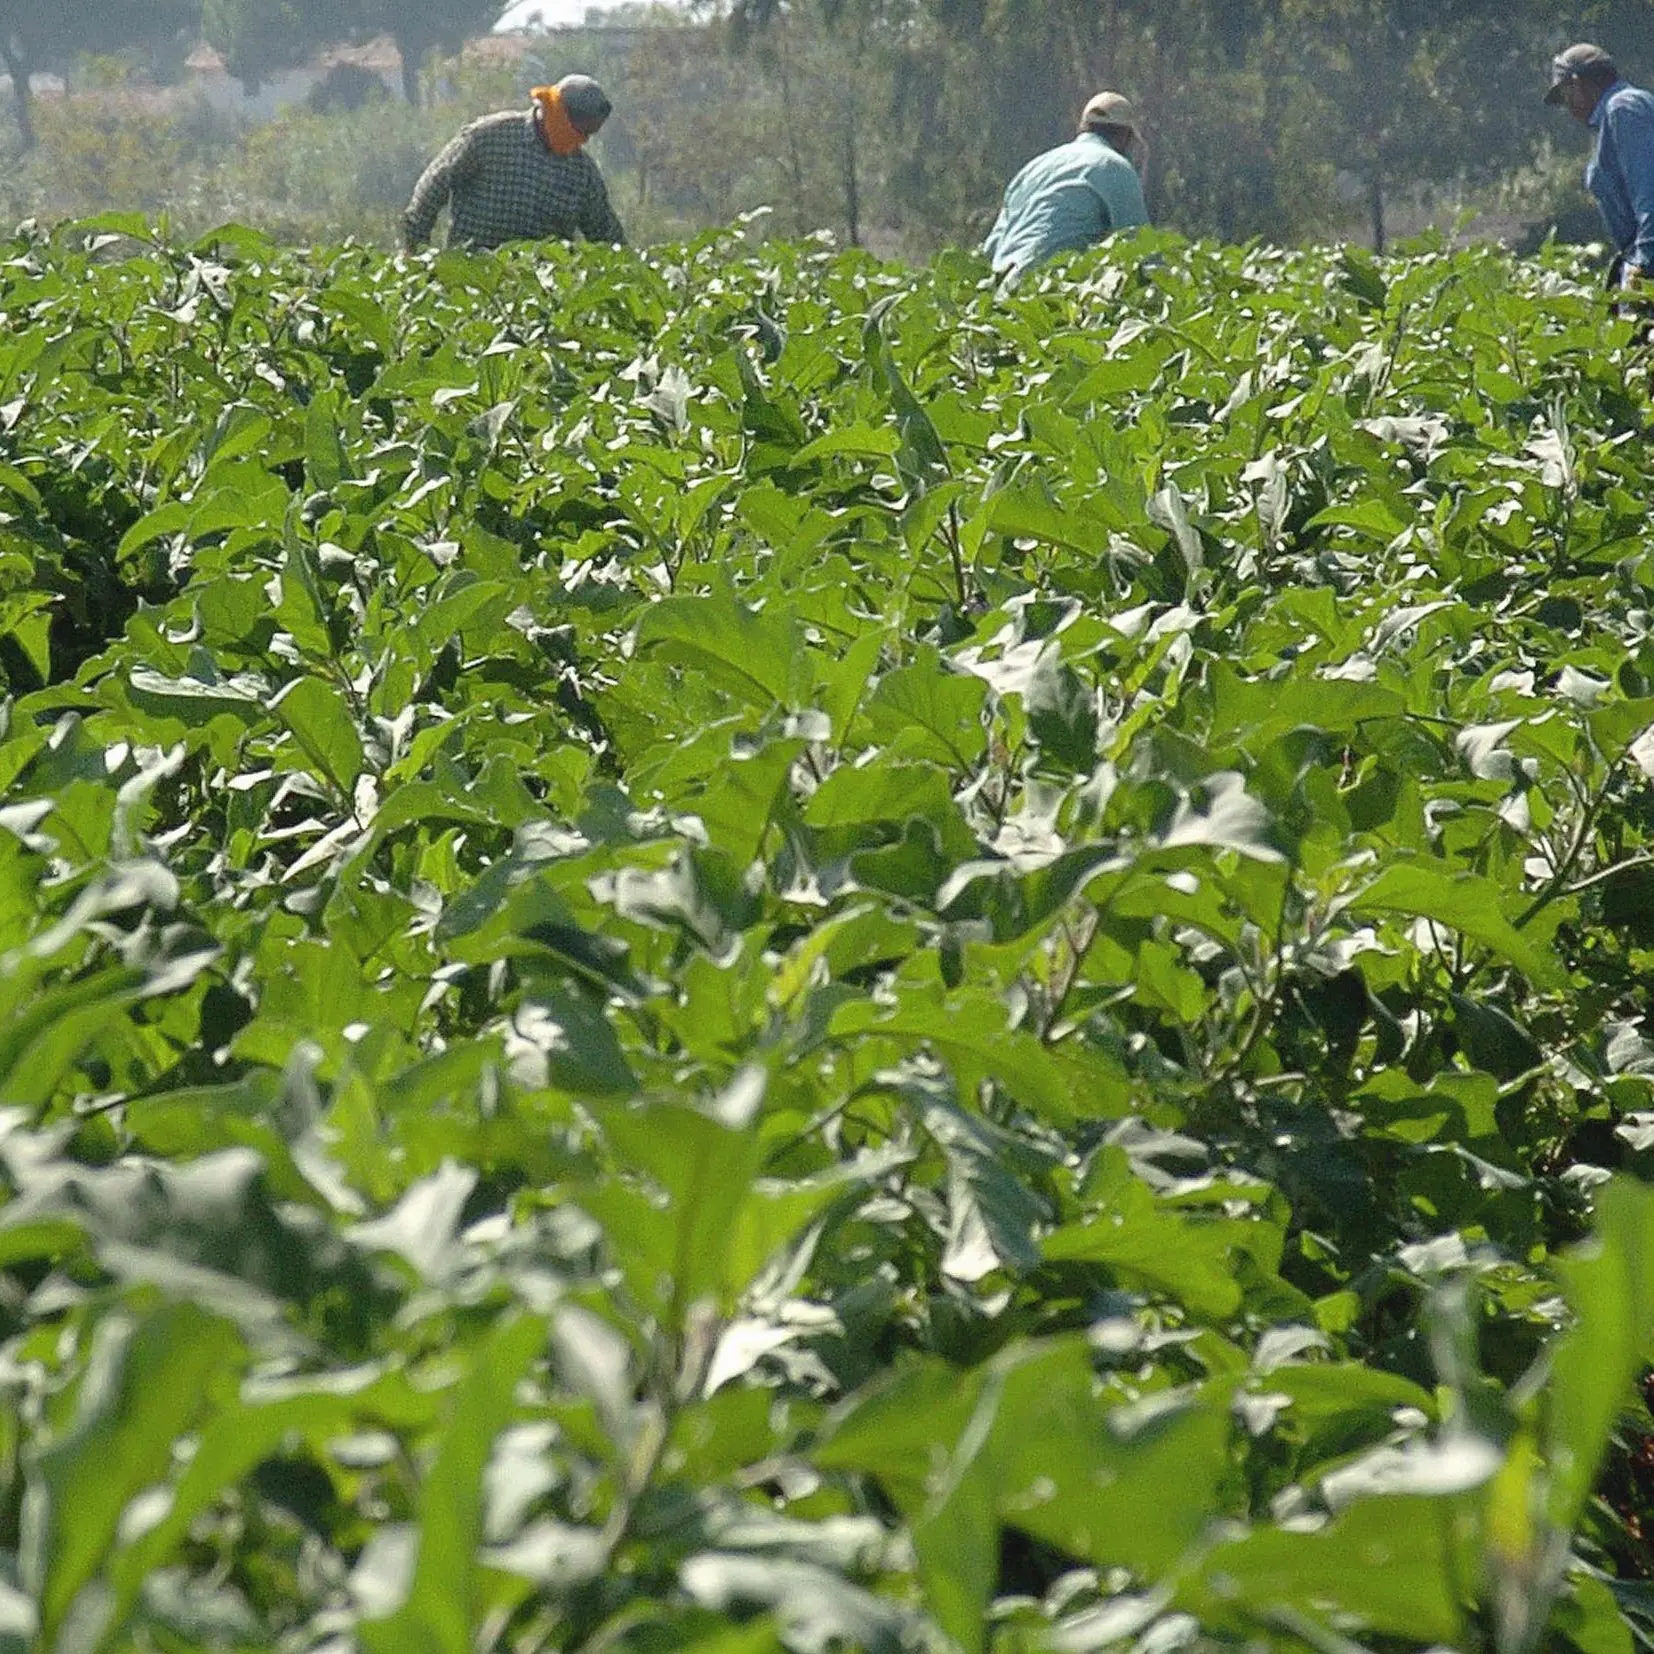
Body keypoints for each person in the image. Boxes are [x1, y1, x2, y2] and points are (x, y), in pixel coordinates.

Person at [403, 74, 625, 253]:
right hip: (473, 278)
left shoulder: (582, 172)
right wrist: (415, 248)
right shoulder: (489, 137)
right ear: (556, 111)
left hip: (542, 291)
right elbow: (434, 185)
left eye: (590, 134)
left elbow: (605, 231)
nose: (584, 140)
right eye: (582, 131)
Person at [983, 91, 1150, 279]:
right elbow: (1141, 249)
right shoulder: (1116, 168)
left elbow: (992, 248)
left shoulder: (1033, 168)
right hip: (1052, 288)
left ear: (1084, 128)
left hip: (1003, 288)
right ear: (1124, 136)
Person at [1545, 43, 1654, 290]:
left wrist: (1645, 264)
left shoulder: (1624, 108)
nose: (1568, 108)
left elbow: (1649, 190)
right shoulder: (1617, 114)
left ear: (1577, 83)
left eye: (1565, 95)